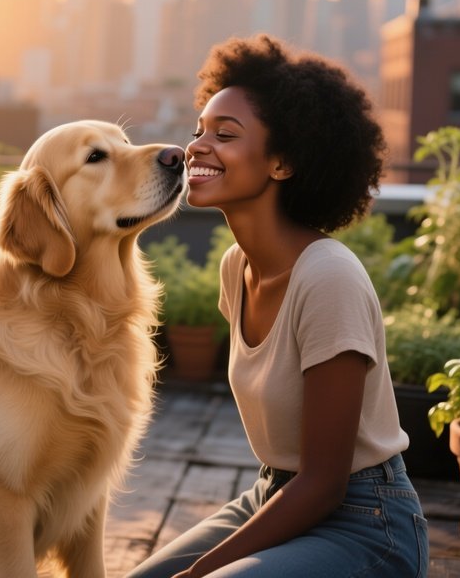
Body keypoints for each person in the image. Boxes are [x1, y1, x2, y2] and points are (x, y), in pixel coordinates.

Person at [128, 35, 428, 578]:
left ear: (282, 162)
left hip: (366, 522)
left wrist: (197, 572)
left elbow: (325, 483)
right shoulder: (235, 269)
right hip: (273, 494)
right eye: (198, 131)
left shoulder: (328, 277)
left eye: (225, 134)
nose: (196, 146)